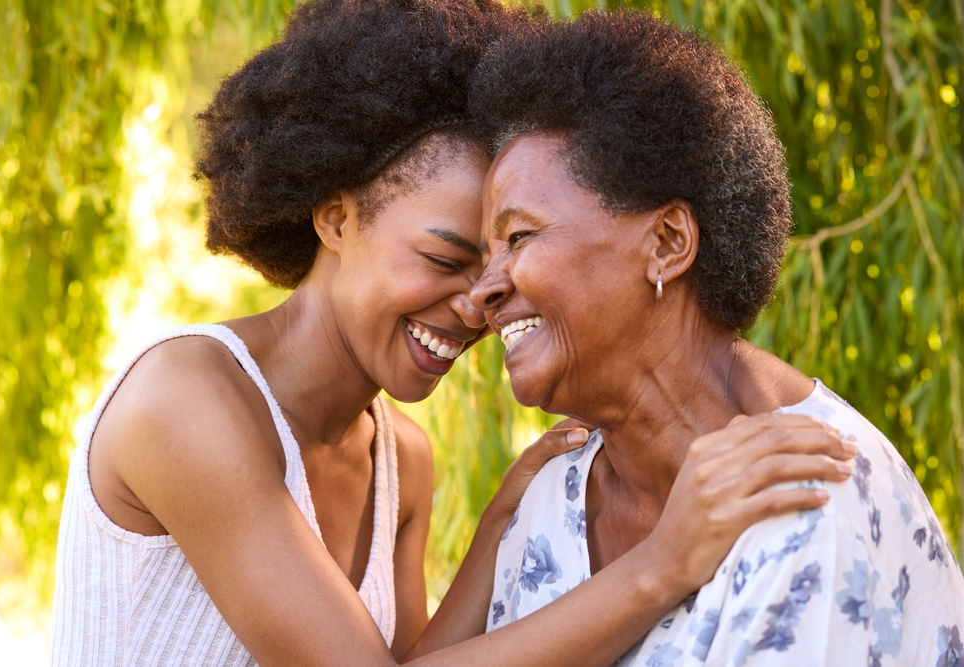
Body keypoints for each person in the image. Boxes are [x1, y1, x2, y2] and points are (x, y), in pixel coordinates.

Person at [49, 2, 856, 666]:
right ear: (336, 217)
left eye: (511, 249)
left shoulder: (402, 458)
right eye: (447, 255)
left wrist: (502, 520)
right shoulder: (187, 400)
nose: (482, 301)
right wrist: (662, 563)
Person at [468, 10, 964, 666]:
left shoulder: (809, 492)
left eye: (519, 237)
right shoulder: (546, 508)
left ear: (668, 243)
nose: (482, 289)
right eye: (481, 253)